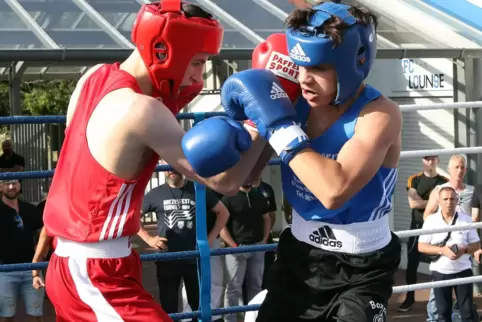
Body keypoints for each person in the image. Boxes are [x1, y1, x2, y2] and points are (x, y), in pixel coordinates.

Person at [41, 1, 271, 321]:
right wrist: (264, 119)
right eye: (198, 62)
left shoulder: (93, 77)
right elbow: (227, 182)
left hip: (89, 263)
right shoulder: (142, 111)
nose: (198, 76)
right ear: (166, 52)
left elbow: (71, 169)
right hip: (93, 273)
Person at [184, 1, 402, 321]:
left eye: (318, 68)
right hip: (298, 257)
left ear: (355, 61)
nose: (304, 79)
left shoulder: (379, 115)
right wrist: (248, 129)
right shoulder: (293, 101)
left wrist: (279, 125)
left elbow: (333, 191)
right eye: (300, 67)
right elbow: (237, 181)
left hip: (362, 269)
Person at [418, 186, 480, 321]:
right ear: (439, 201)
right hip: (440, 272)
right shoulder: (431, 221)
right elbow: (421, 246)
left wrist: (463, 249)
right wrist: (442, 250)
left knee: (467, 313)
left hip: (463, 271)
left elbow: (476, 244)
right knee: (443, 314)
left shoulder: (466, 219)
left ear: (457, 200)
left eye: (452, 199)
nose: (449, 202)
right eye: (445, 199)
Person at [398, 156, 448, 312]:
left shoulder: (444, 181)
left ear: (438, 161)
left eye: (433, 159)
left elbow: (448, 201)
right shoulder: (414, 180)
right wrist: (436, 200)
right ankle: (410, 298)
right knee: (412, 263)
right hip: (418, 226)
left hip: (438, 226)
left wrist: (428, 201)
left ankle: (445, 300)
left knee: (445, 262)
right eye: (427, 159)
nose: (430, 162)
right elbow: (413, 203)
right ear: (423, 161)